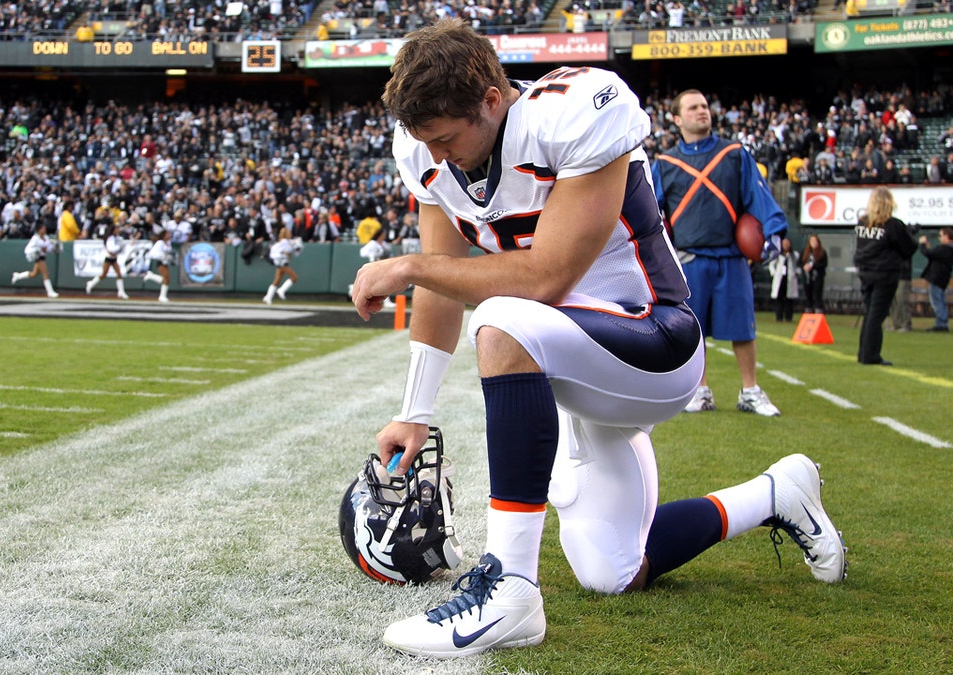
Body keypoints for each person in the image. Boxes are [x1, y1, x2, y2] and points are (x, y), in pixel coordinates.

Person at [351, 19, 846, 660]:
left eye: (447, 139)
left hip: (654, 339)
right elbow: (445, 283)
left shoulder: (575, 110)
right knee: (614, 572)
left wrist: (410, 266)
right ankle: (776, 495)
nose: (438, 157)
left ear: (491, 99)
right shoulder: (426, 150)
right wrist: (413, 412)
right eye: (428, 144)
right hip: (570, 361)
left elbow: (546, 277)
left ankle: (509, 588)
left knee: (501, 318)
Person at [651, 88, 788, 417]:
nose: (702, 111)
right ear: (676, 119)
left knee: (743, 328)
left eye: (704, 106)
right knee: (692, 331)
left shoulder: (734, 153)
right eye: (693, 107)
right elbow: (650, 210)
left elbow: (758, 196)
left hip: (731, 257)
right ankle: (700, 391)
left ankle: (750, 391)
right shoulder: (665, 163)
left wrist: (774, 231)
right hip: (689, 260)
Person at [853, 186, 918, 365]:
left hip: (865, 271)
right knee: (877, 314)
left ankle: (863, 353)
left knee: (869, 312)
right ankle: (870, 355)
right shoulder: (893, 225)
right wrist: (909, 234)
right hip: (885, 273)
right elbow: (908, 248)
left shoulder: (862, 223)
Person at [918, 227, 953, 332]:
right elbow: (933, 255)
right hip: (941, 278)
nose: (939, 238)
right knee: (939, 300)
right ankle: (941, 323)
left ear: (947, 236)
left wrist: (922, 244)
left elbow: (929, 253)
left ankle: (941, 324)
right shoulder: (948, 249)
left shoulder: (946, 248)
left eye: (941, 235)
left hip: (937, 278)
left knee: (937, 301)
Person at [12, 222, 59, 298]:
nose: (44, 229)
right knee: (45, 273)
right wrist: (45, 248)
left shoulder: (46, 237)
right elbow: (40, 248)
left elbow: (47, 248)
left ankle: (18, 276)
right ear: (39, 230)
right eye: (43, 228)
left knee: (34, 274)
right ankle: (50, 292)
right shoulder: (35, 238)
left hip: (42, 256)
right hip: (37, 257)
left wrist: (53, 248)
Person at [85, 224, 128, 299]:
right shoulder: (110, 238)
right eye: (116, 229)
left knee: (119, 274)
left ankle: (121, 292)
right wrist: (119, 247)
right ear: (113, 230)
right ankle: (91, 284)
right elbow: (111, 249)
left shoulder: (115, 237)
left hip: (113, 258)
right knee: (104, 274)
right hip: (108, 258)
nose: (117, 230)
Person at [262, 227, 301, 304]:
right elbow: (291, 250)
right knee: (294, 277)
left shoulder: (286, 242)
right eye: (289, 232)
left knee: (277, 279)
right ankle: (281, 290)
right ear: (285, 234)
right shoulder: (284, 242)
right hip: (281, 261)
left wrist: (295, 242)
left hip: (282, 261)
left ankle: (268, 297)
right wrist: (296, 245)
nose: (290, 233)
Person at [767, 236, 800, 323]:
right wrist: (774, 273)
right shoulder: (777, 254)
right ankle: (779, 316)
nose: (786, 245)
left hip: (789, 279)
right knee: (779, 298)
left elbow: (798, 266)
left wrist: (797, 272)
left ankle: (789, 317)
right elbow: (771, 265)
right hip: (780, 279)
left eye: (787, 243)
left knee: (789, 299)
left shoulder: (794, 255)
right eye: (784, 243)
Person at [142, 228, 175, 303]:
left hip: (166, 262)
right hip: (160, 262)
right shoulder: (160, 243)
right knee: (166, 278)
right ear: (163, 235)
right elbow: (152, 253)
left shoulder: (168, 243)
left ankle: (150, 276)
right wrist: (162, 256)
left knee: (167, 279)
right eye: (167, 234)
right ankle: (162, 296)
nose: (169, 235)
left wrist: (169, 257)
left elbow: (169, 252)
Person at [800, 233, 828, 313]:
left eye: (815, 241)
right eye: (812, 241)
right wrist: (804, 267)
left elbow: (824, 264)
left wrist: (813, 266)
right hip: (807, 277)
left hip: (818, 277)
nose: (814, 243)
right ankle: (808, 310)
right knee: (808, 294)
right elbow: (800, 263)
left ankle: (818, 311)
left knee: (817, 294)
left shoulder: (822, 252)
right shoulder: (805, 252)